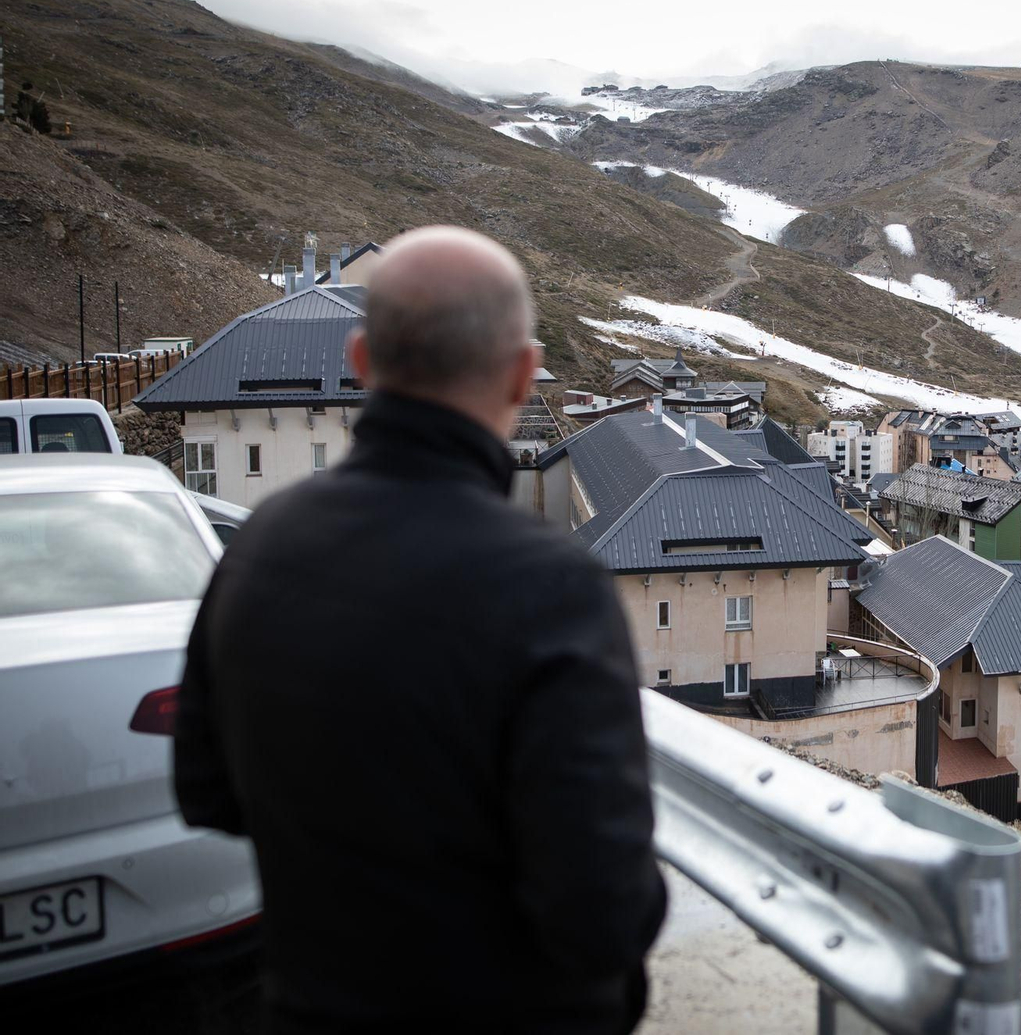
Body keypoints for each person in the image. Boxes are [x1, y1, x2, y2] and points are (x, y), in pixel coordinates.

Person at [175, 226, 666, 1033]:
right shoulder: (551, 585)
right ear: (520, 373)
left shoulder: (260, 542)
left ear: (362, 363)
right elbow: (601, 912)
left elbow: (206, 793)